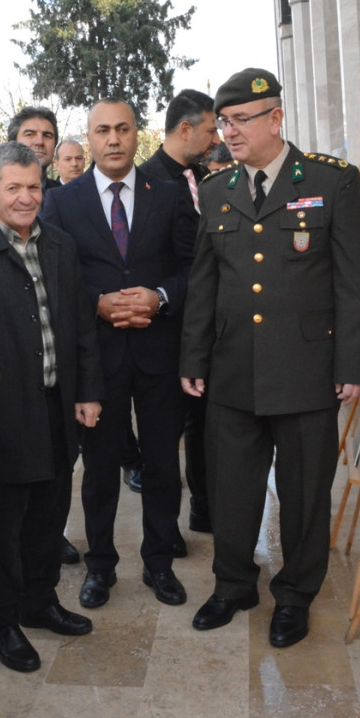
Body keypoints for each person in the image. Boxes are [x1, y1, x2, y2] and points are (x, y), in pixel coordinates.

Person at [180, 68, 360, 647]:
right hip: (232, 371)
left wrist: (352, 366)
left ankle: (294, 595)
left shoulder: (330, 181)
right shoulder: (217, 190)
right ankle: (234, 583)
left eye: (241, 120)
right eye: (224, 122)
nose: (229, 132)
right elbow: (206, 282)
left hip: (306, 371)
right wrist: (194, 358)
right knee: (232, 489)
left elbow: (355, 285)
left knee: (303, 493)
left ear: (276, 118)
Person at [40, 97, 198, 610]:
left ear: (138, 135)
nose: (113, 139)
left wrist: (161, 297)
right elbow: (52, 276)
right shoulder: (63, 202)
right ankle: (100, 566)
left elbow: (192, 266)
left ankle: (159, 564)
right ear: (88, 138)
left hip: (158, 351)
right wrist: (99, 305)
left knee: (160, 465)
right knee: (101, 469)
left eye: (123, 129)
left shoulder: (169, 194)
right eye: (102, 130)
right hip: (95, 356)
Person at [0, 142, 103, 673]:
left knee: (49, 514)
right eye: (13, 188)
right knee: (2, 528)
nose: (26, 198)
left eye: (34, 187)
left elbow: (82, 325)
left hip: (56, 406)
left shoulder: (59, 245)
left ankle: (39, 602)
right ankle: (3, 622)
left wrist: (87, 391)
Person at [137, 88, 222, 535]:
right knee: (166, 438)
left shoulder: (200, 177)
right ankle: (164, 534)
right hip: (165, 331)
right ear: (185, 128)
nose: (216, 140)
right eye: (210, 130)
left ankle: (203, 508)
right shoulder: (146, 182)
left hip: (202, 328)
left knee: (204, 423)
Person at [0, 105, 61, 222]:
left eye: (47, 135)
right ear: (13, 141)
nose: (39, 142)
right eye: (30, 134)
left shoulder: (65, 196)